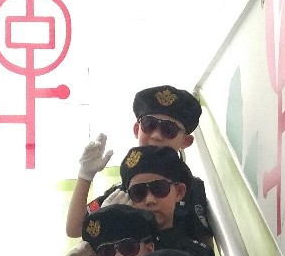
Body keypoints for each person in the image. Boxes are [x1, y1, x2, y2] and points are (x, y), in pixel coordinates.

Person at [66, 84, 210, 243]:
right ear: (137, 129)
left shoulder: (192, 188)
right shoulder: (123, 191)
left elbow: (205, 245)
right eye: (149, 124)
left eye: (169, 129)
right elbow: (75, 229)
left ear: (186, 141)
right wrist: (85, 176)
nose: (156, 135)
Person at [116, 147, 218, 256]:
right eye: (138, 192)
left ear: (179, 192)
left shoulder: (199, 255)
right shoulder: (116, 252)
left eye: (159, 188)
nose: (150, 200)